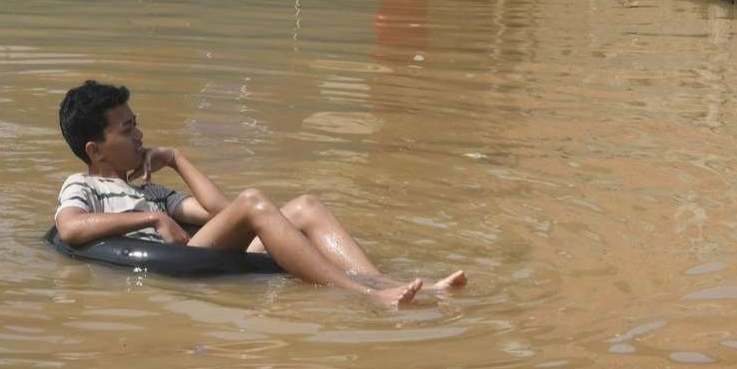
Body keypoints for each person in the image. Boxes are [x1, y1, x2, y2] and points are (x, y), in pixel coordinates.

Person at [54, 81, 466, 308]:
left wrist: (177, 159)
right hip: (172, 262)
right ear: (95, 149)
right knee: (253, 200)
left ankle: (394, 283)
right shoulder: (84, 185)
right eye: (127, 130)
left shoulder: (153, 189)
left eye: (137, 124)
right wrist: (152, 219)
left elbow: (221, 211)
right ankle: (366, 296)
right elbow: (70, 228)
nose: (140, 135)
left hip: (193, 248)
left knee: (305, 205)